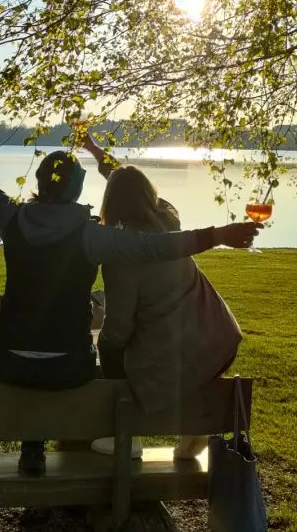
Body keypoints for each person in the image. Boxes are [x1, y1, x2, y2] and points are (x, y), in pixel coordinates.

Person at [0, 108, 260, 477]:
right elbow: (153, 246)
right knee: (82, 358)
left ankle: (33, 444)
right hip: (70, 365)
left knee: (35, 354)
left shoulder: (10, 219)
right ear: (76, 189)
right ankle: (98, 441)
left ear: (40, 185)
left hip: (8, 362)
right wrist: (217, 235)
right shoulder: (92, 236)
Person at [79, 131, 243, 461]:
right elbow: (126, 182)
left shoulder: (120, 257)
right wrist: (95, 150)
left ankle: (126, 434)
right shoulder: (170, 218)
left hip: (176, 357)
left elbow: (120, 328)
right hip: (217, 340)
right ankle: (192, 432)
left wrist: (102, 343)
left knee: (108, 347)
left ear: (111, 204)